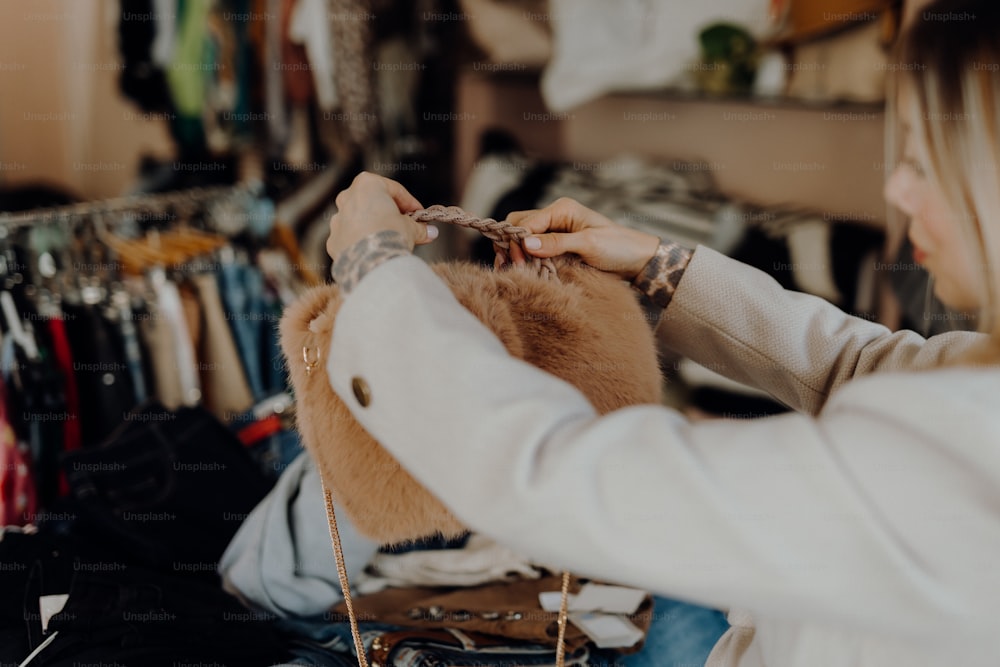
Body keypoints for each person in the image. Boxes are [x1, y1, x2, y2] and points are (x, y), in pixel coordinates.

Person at [322, 1, 999, 664]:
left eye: (921, 158)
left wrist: (376, 276)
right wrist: (657, 264)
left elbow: (555, 474)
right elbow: (867, 362)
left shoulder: (952, 471)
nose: (900, 190)